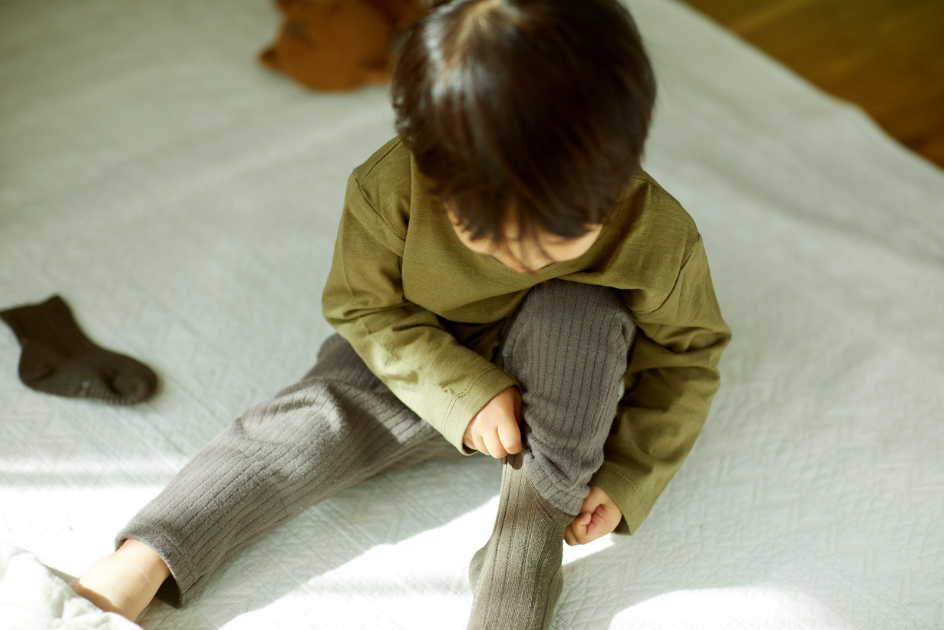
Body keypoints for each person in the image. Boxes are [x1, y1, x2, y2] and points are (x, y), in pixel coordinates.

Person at [70, 0, 731, 628]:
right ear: (428, 164)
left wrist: (627, 475)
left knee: (580, 313)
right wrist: (465, 394)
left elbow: (685, 357)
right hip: (418, 351)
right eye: (484, 233)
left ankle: (520, 564)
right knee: (308, 424)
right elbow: (361, 307)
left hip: (560, 394)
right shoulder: (390, 185)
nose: (522, 259)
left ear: (620, 168)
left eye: (559, 237)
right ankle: (148, 556)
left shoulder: (658, 234)